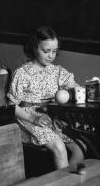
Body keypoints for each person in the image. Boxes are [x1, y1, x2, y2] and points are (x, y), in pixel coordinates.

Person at [7, 26, 84, 170]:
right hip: (29, 119)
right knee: (59, 146)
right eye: (46, 51)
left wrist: (81, 90)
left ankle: (66, 181)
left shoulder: (57, 71)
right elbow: (12, 106)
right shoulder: (22, 73)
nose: (51, 56)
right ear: (35, 48)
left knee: (81, 146)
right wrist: (33, 119)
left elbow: (76, 88)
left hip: (53, 117)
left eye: (54, 51)